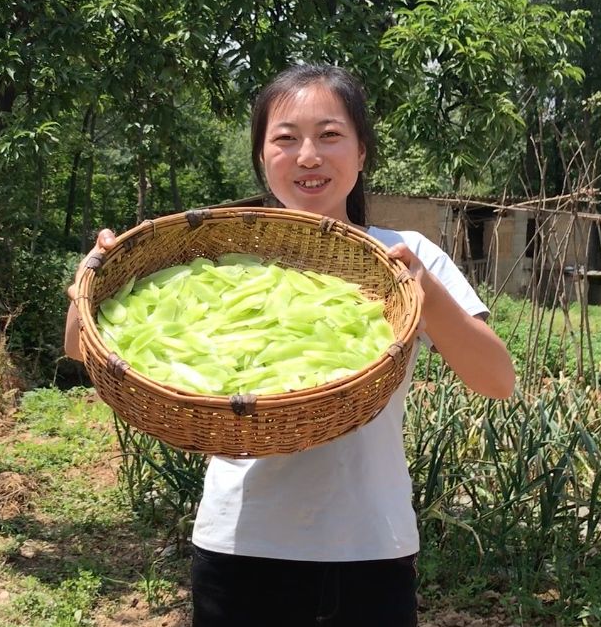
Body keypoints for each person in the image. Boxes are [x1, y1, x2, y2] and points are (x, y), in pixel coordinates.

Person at [65, 64, 515, 627]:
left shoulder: (406, 252)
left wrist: (422, 287)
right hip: (239, 544)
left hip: (368, 548)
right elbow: (85, 351)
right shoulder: (214, 259)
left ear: (362, 152)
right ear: (260, 155)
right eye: (285, 138)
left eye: (330, 136)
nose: (308, 156)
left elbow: (497, 379)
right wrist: (95, 281)